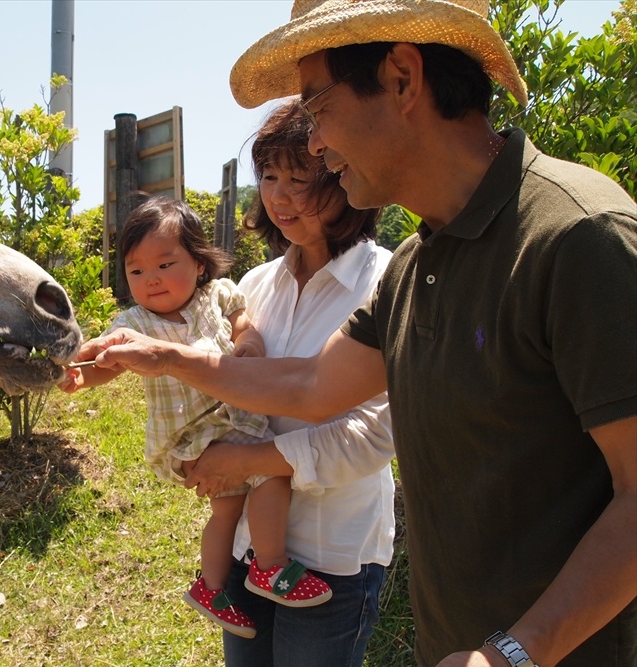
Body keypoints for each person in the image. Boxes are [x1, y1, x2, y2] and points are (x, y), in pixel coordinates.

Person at [75, 2, 637, 667]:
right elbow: (311, 385)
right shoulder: (416, 268)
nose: (313, 144)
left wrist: (514, 652)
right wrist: (161, 353)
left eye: (319, 108)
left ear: (401, 77)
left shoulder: (577, 237)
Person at [59, 195, 332, 640]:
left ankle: (211, 587)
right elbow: (104, 362)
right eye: (137, 270)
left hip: (233, 423)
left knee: (226, 510)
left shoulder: (218, 295)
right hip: (190, 436)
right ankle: (271, 567)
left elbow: (244, 324)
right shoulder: (136, 321)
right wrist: (80, 377)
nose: (152, 280)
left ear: (200, 265)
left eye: (165, 264)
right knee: (270, 476)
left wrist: (249, 347)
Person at [207, 98, 396, 667]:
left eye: (300, 178)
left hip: (334, 553)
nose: (279, 196)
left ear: (344, 177)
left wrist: (254, 460)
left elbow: (377, 434)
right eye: (268, 176)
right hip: (247, 548)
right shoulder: (254, 287)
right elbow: (225, 400)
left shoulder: (383, 280)